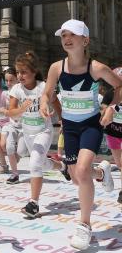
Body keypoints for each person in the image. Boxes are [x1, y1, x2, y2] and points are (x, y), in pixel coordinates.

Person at [40, 19, 122, 250]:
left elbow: (120, 87)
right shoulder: (56, 68)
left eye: (72, 34)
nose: (66, 38)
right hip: (70, 127)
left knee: (82, 172)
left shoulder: (96, 68)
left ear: (85, 40)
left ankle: (84, 225)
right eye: (63, 34)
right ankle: (102, 171)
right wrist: (44, 103)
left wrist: (111, 108)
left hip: (91, 126)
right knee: (77, 177)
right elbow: (47, 93)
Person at [8, 51, 68, 219]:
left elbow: (55, 103)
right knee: (40, 163)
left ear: (34, 72)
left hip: (44, 131)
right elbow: (12, 112)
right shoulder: (16, 89)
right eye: (18, 72)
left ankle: (33, 204)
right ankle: (63, 167)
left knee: (34, 163)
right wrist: (21, 109)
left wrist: (64, 120)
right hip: (28, 133)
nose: (20, 76)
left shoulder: (43, 87)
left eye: (24, 72)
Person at [101, 67, 122, 204]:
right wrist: (105, 113)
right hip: (113, 132)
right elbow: (102, 110)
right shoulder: (109, 94)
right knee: (119, 163)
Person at [2, 67, 26, 184]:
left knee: (21, 151)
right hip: (12, 124)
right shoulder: (6, 93)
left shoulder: (23, 90)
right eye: (6, 81)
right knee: (9, 147)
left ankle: (16, 158)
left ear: (17, 79)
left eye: (11, 80)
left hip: (25, 125)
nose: (8, 83)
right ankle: (14, 174)